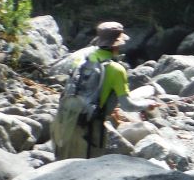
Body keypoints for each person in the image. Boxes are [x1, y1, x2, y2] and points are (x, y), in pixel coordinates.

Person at [52, 21, 156, 160]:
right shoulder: (116, 69)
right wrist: (147, 105)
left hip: (64, 121)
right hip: (89, 127)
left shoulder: (81, 60)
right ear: (118, 44)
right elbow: (127, 105)